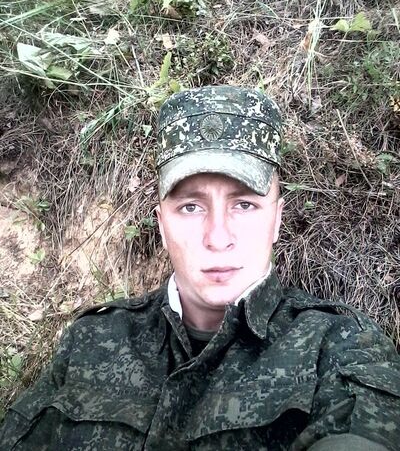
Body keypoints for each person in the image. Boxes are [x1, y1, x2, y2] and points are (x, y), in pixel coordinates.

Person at [0, 86, 399, 451]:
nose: (218, 237)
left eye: (245, 205)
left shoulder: (339, 343)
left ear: (277, 220)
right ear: (161, 225)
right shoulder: (91, 340)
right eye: (191, 207)